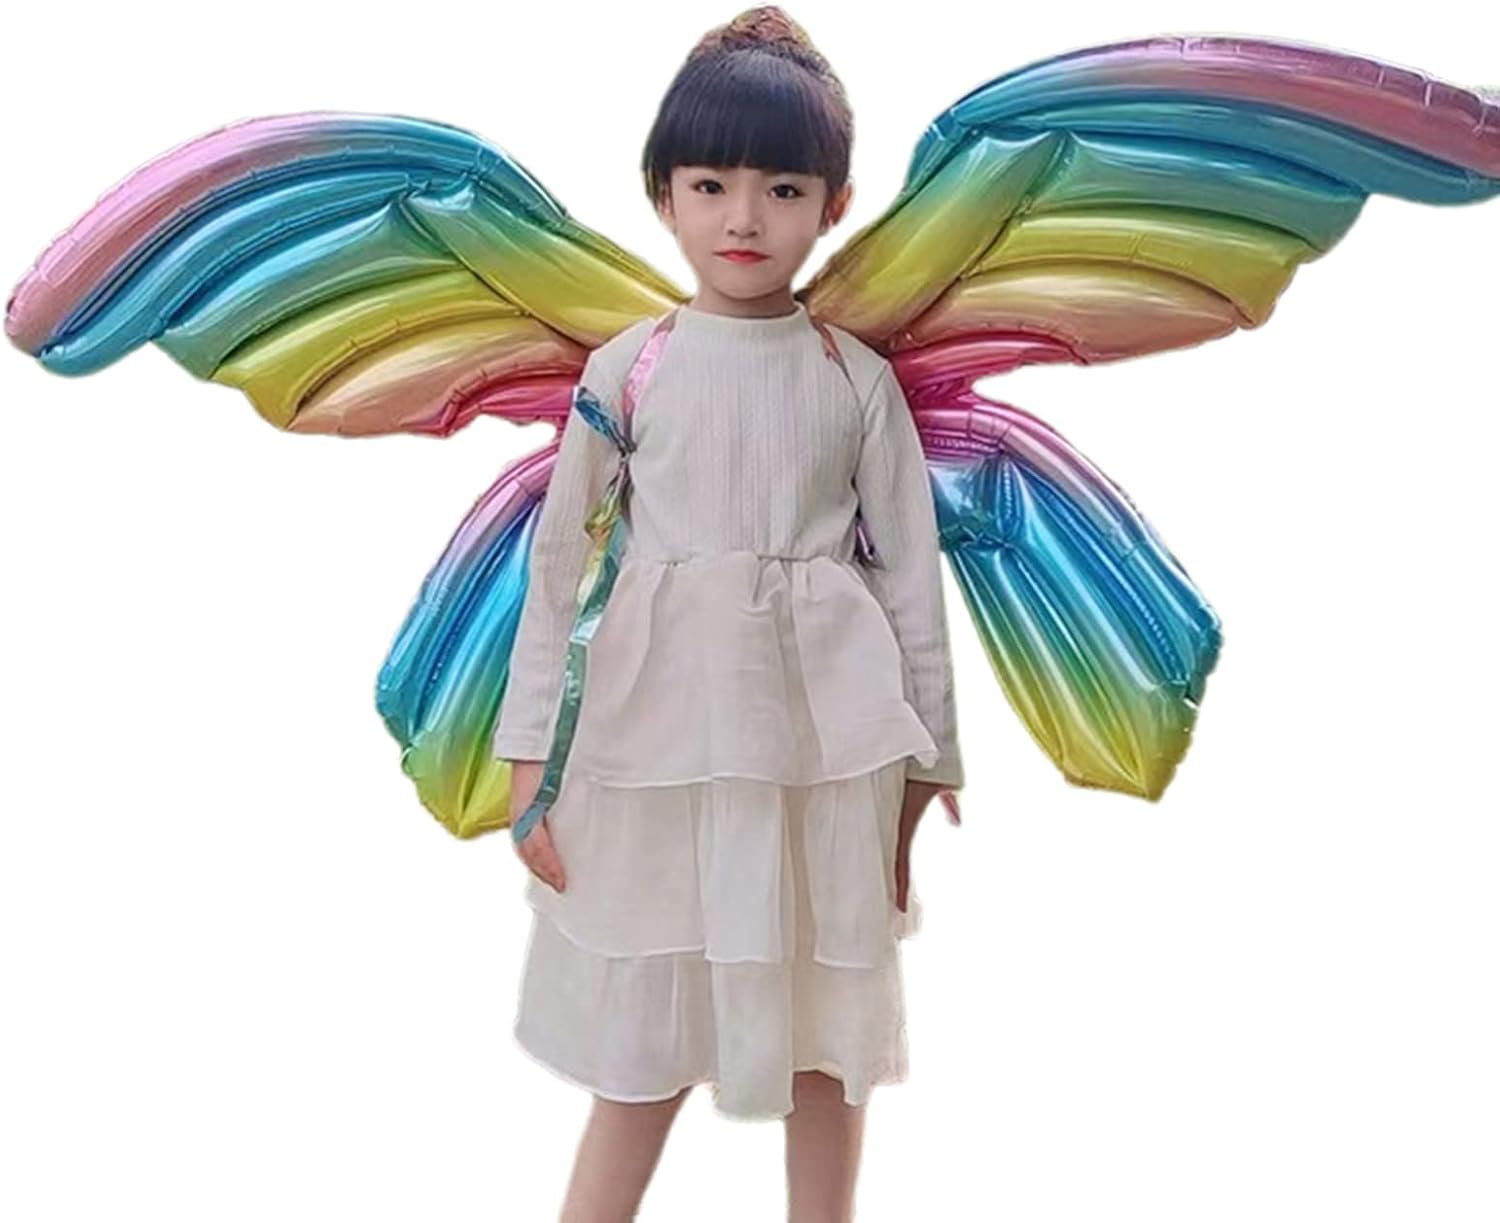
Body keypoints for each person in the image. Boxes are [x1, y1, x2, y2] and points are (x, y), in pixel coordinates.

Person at [491, 7, 963, 1220]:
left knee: (823, 1021)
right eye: (710, 185)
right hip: (658, 743)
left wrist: (928, 765)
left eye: (783, 188)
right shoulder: (627, 370)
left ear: (834, 204)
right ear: (663, 195)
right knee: (645, 1029)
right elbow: (561, 566)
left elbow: (911, 579)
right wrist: (530, 751)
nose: (744, 217)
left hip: (823, 749)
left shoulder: (854, 380)